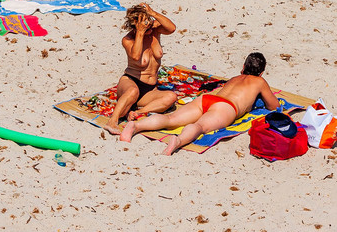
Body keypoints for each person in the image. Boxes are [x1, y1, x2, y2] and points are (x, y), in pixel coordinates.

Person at [119, 52, 279, 156]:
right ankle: (178, 141)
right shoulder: (259, 81)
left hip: (208, 99)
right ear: (262, 72)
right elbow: (274, 106)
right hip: (226, 107)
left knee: (171, 119)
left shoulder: (234, 78)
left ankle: (136, 127)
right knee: (200, 126)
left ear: (243, 67)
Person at [105, 3, 179, 128]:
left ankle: (137, 112)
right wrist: (140, 32)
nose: (148, 26)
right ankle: (112, 121)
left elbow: (171, 28)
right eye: (145, 25)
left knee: (171, 97)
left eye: (149, 22)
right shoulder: (128, 39)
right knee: (132, 91)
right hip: (131, 81)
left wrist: (153, 13)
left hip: (149, 89)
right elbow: (135, 56)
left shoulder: (154, 31)